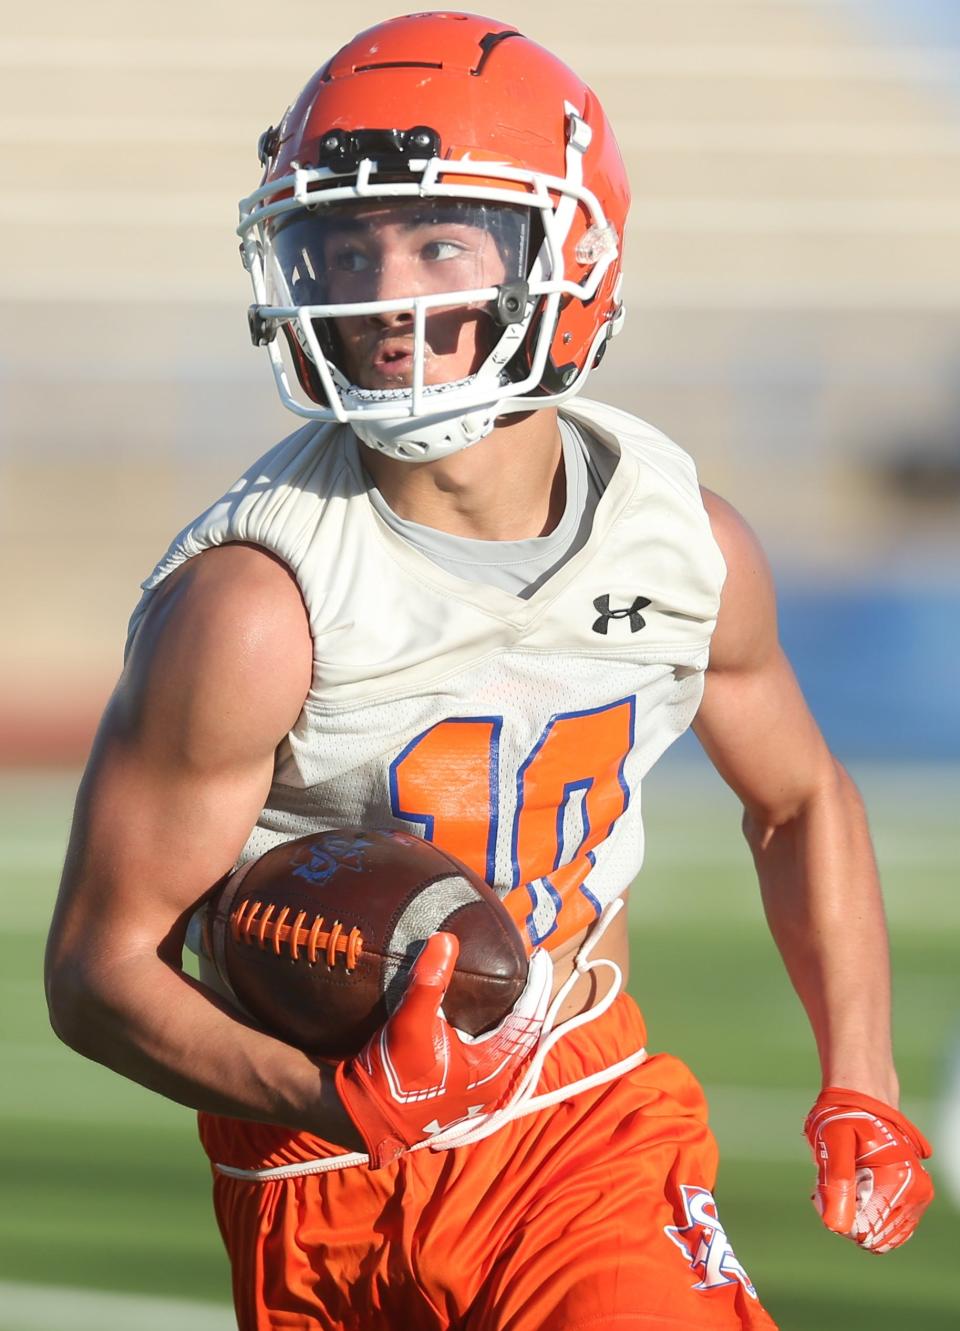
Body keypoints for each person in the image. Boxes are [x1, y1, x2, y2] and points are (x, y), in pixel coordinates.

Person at [44, 12, 934, 1330]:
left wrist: (860, 1076)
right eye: (347, 245)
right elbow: (95, 970)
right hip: (316, 1178)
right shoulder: (255, 604)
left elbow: (801, 802)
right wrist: (327, 1095)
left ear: (566, 258)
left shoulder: (682, 543)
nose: (383, 294)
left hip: (580, 1128)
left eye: (438, 240)